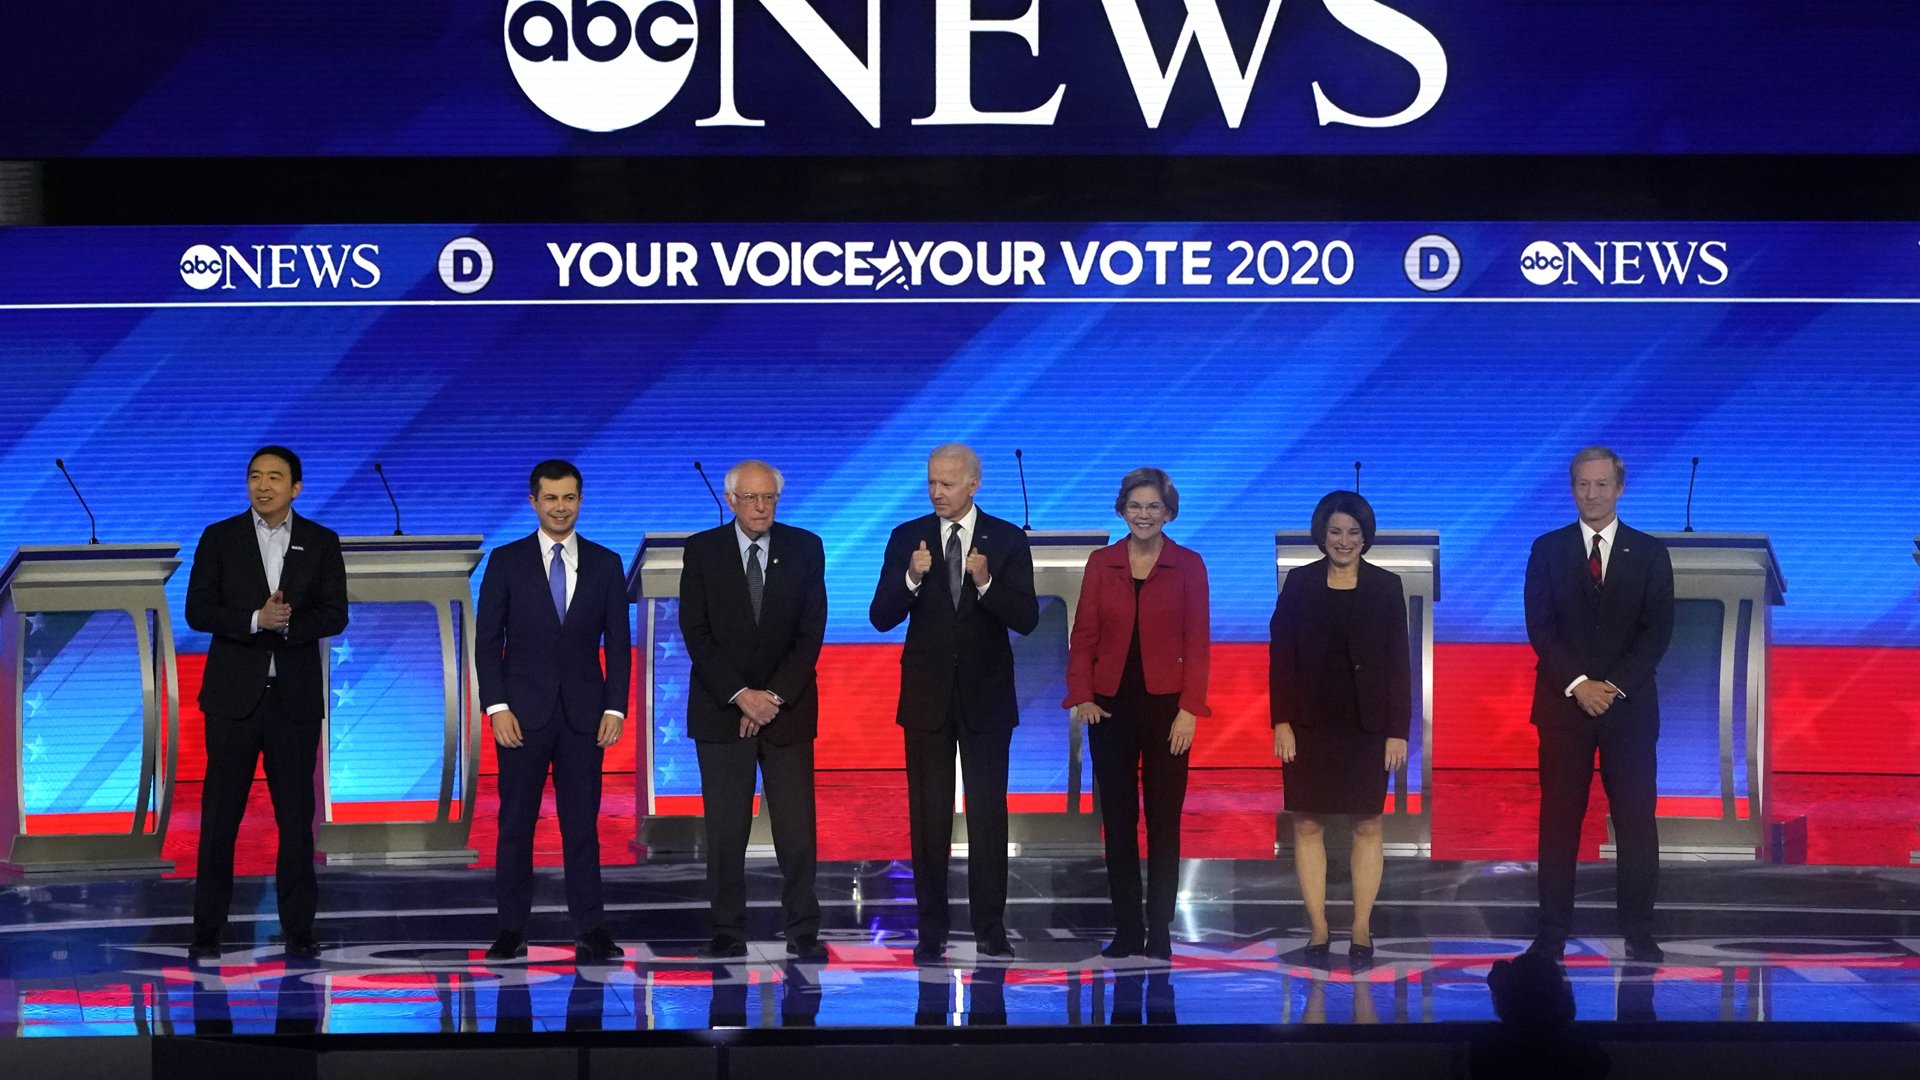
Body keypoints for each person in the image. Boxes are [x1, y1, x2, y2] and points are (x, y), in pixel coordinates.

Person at [869, 443, 1038, 963]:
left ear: (974, 484)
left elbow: (1027, 618)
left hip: (987, 699)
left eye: (947, 483)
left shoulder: (1007, 540)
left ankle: (990, 928)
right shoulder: (907, 538)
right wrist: (912, 577)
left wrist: (986, 583)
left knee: (989, 814)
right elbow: (881, 616)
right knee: (929, 817)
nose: (937, 492)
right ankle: (932, 930)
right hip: (926, 699)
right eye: (931, 483)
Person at [183, 445, 349, 962]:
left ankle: (299, 928)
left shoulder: (321, 542)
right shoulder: (220, 537)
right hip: (234, 699)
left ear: (296, 487)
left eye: (275, 477)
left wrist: (289, 624)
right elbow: (197, 610)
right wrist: (256, 620)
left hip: (294, 700)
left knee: (296, 819)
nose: (264, 485)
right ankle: (207, 930)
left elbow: (335, 613)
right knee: (220, 819)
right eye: (255, 476)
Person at [476, 459, 630, 963]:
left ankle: (592, 927)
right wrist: (496, 706)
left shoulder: (607, 563)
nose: (560, 507)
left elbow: (620, 646)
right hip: (520, 716)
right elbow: (486, 643)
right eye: (551, 498)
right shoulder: (506, 560)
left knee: (581, 826)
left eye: (569, 498)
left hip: (585, 717)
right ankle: (509, 929)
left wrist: (616, 708)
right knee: (515, 824)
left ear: (580, 501)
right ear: (533, 502)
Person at [1525, 446, 1674, 963]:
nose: (1591, 494)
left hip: (1627, 709)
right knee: (1560, 820)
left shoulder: (1650, 552)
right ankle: (1551, 930)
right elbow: (1540, 628)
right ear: (1572, 489)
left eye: (1601, 484)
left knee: (1635, 820)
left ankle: (1638, 929)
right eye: (1582, 485)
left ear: (1620, 487)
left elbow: (1658, 632)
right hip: (1564, 707)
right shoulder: (1547, 549)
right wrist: (1579, 684)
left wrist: (1610, 686)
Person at [679, 459, 828, 960]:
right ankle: (726, 927)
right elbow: (696, 633)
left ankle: (803, 924)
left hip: (788, 711)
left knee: (796, 828)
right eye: (752, 499)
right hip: (723, 711)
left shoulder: (806, 547)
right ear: (731, 500)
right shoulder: (702, 551)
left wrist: (773, 698)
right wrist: (742, 695)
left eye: (770, 499)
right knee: (726, 829)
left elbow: (810, 633)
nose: (762, 508)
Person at [1063, 467, 1210, 961]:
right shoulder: (1101, 562)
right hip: (1109, 708)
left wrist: (1190, 708)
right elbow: (1083, 636)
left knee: (1163, 820)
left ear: (1168, 512)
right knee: (1120, 822)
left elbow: (1198, 642)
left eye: (1153, 507)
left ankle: (1160, 927)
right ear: (1121, 510)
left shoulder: (1189, 564)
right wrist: (1081, 694)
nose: (1144, 515)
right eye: (1135, 506)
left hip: (1168, 709)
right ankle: (1127, 927)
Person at [1269, 489, 1410, 965]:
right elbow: (1281, 656)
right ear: (1321, 535)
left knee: (1367, 824)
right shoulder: (1299, 583)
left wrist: (1398, 730)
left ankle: (1361, 928)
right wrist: (1281, 722)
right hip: (1309, 723)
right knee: (1306, 823)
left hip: (1367, 725)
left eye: (1353, 532)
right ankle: (1318, 929)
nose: (1344, 540)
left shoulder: (1387, 587)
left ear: (1365, 536)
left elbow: (1398, 664)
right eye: (1335, 532)